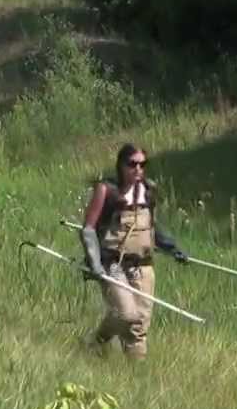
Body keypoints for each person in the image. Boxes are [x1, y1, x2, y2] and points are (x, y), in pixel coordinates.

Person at [78, 144, 188, 359]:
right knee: (126, 315)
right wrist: (95, 264)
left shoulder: (148, 190)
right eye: (132, 164)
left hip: (143, 265)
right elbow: (88, 230)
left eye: (142, 164)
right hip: (113, 264)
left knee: (139, 325)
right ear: (121, 165)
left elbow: (152, 227)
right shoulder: (107, 190)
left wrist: (172, 248)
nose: (138, 169)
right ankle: (96, 342)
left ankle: (136, 374)